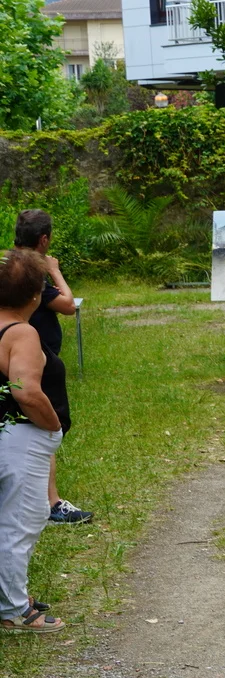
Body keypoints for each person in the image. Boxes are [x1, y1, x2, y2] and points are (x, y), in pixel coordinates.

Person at [0, 247, 69, 633]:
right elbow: (25, 391)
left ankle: (9, 597)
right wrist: (52, 424)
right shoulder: (22, 332)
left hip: (4, 435)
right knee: (21, 522)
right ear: (34, 296)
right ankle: (13, 611)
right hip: (20, 439)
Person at [12, 209, 92, 524]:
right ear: (44, 239)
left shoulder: (9, 262)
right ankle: (51, 503)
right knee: (43, 426)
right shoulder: (31, 270)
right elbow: (68, 305)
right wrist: (55, 272)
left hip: (16, 353)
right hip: (32, 357)